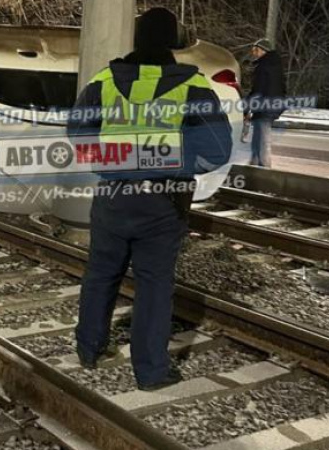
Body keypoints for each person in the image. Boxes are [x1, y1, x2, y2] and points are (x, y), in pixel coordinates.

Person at [68, 8, 232, 391]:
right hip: (163, 202)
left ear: (135, 39)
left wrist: (116, 165)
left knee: (100, 275)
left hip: (113, 197)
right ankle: (151, 371)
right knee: (154, 285)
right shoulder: (192, 86)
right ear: (173, 42)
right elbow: (218, 149)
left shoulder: (105, 81)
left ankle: (89, 349)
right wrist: (174, 165)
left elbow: (78, 135)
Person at [245, 38, 286, 167]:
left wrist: (247, 107)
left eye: (256, 50)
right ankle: (255, 161)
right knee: (259, 133)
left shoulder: (263, 67)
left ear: (264, 51)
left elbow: (258, 90)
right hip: (274, 104)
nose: (254, 53)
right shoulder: (275, 65)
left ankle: (263, 165)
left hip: (264, 105)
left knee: (262, 135)